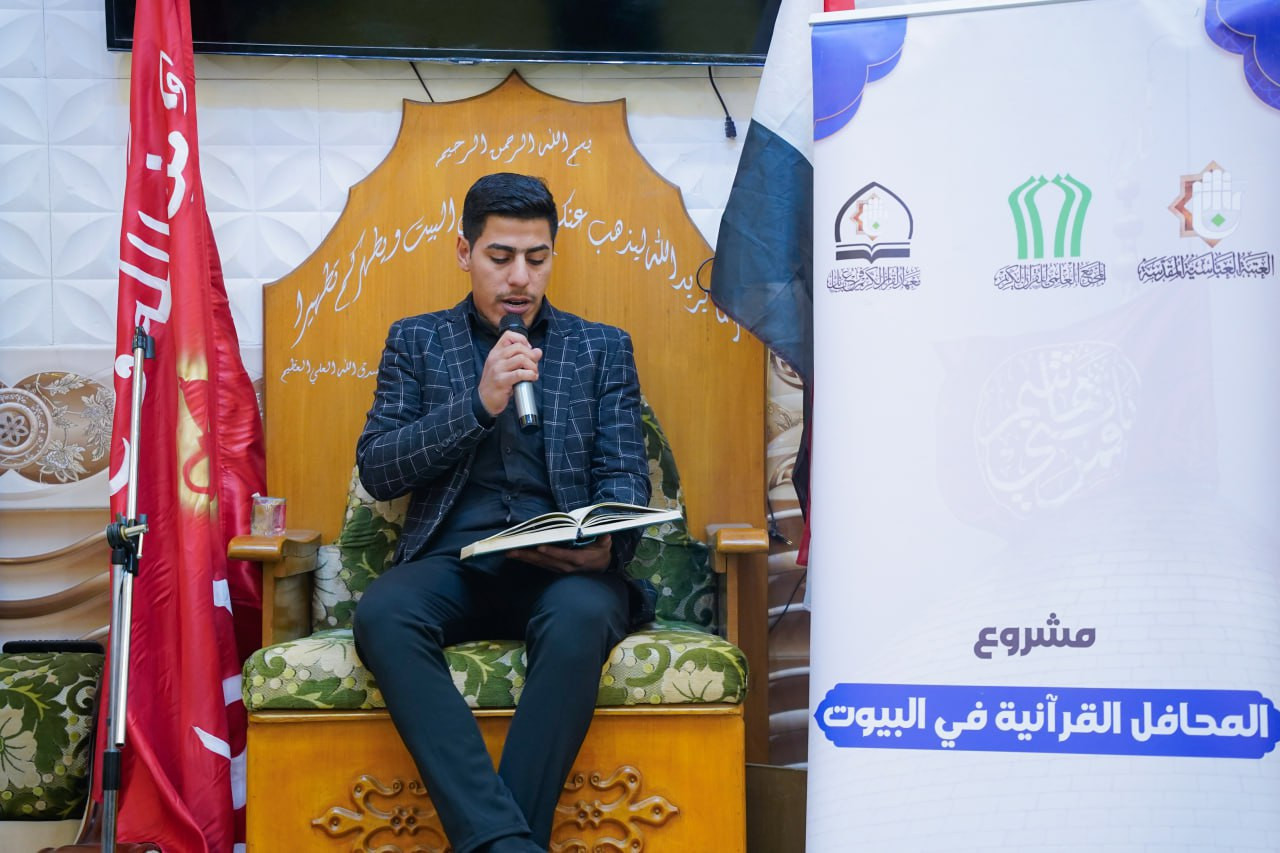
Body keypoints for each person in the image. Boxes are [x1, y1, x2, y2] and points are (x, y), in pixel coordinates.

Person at [352, 172, 653, 853]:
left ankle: (495, 841)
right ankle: (508, 843)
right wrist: (479, 404)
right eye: (501, 256)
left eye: (537, 258)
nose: (520, 278)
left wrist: (607, 548)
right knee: (384, 613)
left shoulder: (600, 347)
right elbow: (379, 466)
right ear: (465, 252)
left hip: (565, 574)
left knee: (582, 614)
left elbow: (627, 478)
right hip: (452, 564)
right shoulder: (417, 342)